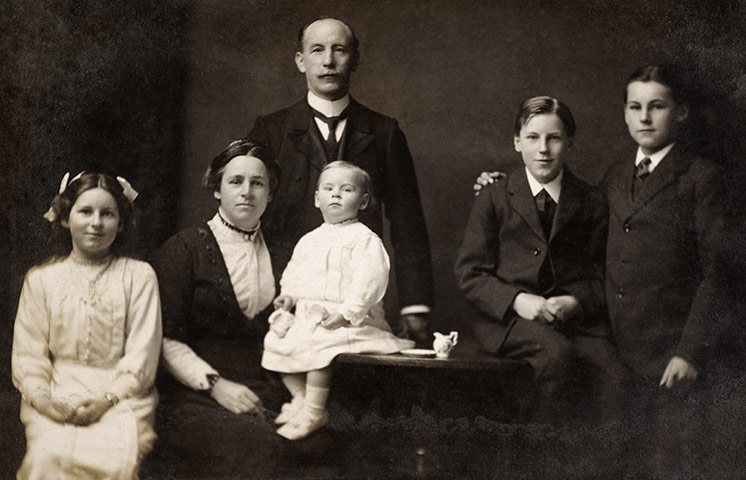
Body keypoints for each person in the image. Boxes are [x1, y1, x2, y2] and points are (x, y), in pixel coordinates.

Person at [247, 17, 433, 343]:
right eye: (317, 50)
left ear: (355, 59)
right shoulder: (270, 130)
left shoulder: (384, 132)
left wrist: (414, 304)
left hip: (357, 299)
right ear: (301, 61)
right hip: (284, 293)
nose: (329, 61)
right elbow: (246, 211)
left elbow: (408, 223)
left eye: (339, 50)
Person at [454, 97, 628, 425]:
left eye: (554, 138)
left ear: (570, 142)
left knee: (614, 373)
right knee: (556, 357)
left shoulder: (590, 200)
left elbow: (601, 273)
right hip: (508, 320)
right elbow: (470, 272)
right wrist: (517, 300)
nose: (543, 149)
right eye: (533, 138)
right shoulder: (494, 196)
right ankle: (541, 459)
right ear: (517, 142)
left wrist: (575, 301)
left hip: (573, 322)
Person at [600, 65, 729, 475]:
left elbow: (719, 272)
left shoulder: (702, 178)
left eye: (656, 106)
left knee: (666, 464)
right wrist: (496, 187)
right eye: (635, 107)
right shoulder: (615, 175)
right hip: (616, 350)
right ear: (624, 113)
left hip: (669, 353)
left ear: (681, 112)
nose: (644, 117)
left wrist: (689, 351)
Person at [151, 139, 296, 478]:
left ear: (270, 193)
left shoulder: (286, 253)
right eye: (235, 181)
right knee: (257, 445)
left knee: (320, 438)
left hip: (265, 390)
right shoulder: (183, 249)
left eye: (257, 183)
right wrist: (216, 385)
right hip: (194, 395)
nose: (247, 191)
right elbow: (164, 338)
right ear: (216, 189)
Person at [11, 172, 162, 479]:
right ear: (66, 219)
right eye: (85, 212)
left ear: (120, 223)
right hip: (57, 389)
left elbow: (142, 352)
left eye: (107, 214)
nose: (96, 223)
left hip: (122, 394)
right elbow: (29, 354)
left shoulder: (139, 276)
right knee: (47, 456)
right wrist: (43, 400)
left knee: (113, 459)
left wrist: (108, 399)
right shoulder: (42, 280)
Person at [262, 161, 414, 440]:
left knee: (322, 349)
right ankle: (301, 397)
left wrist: (347, 313)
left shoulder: (365, 240)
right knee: (275, 344)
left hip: (352, 320)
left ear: (363, 201)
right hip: (311, 316)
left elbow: (369, 281)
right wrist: (289, 296)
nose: (336, 195)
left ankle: (314, 410)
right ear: (316, 198)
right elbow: (295, 272)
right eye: (328, 189)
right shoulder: (309, 240)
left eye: (346, 190)